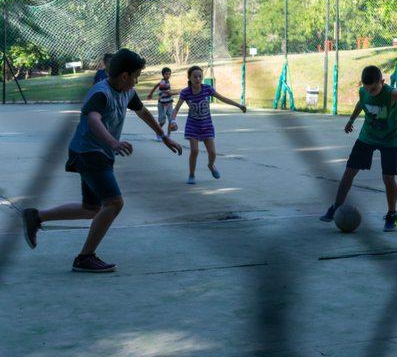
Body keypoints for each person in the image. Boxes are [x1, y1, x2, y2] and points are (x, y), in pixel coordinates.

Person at [21, 49, 183, 273]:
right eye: (136, 76)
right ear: (124, 76)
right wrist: (113, 142)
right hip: (88, 152)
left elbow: (143, 112)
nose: (137, 80)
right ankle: (85, 257)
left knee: (91, 208)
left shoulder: (127, 91)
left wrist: (163, 136)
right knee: (114, 203)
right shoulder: (101, 93)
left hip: (98, 153)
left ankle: (36, 216)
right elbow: (93, 119)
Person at [320, 65, 397, 232]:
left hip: (389, 140)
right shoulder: (364, 91)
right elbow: (361, 103)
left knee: (388, 178)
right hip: (367, 137)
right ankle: (336, 206)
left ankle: (392, 214)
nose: (371, 92)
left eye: (374, 88)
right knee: (349, 172)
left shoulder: (391, 93)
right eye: (367, 88)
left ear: (382, 81)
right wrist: (351, 120)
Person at [171, 66, 246, 185]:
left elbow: (222, 98)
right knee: (194, 151)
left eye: (200, 76)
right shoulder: (186, 92)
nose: (198, 79)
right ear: (189, 78)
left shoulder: (207, 89)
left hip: (207, 125)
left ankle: (211, 166)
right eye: (195, 76)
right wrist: (173, 121)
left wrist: (239, 105)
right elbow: (176, 109)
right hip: (192, 125)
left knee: (212, 153)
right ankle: (191, 174)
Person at [147, 67, 174, 141]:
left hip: (169, 103)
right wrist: (179, 93)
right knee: (162, 121)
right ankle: (158, 133)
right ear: (163, 74)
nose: (168, 75)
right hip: (162, 104)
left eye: (169, 74)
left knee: (171, 120)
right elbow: (167, 92)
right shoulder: (163, 83)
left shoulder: (166, 81)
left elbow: (156, 85)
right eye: (166, 74)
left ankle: (168, 136)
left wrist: (151, 93)